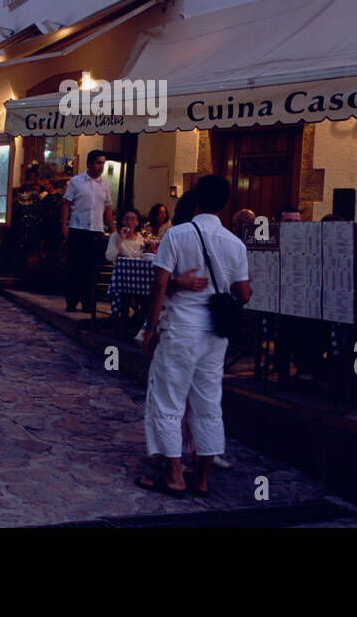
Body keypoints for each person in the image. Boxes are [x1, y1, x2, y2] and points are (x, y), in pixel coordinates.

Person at [138, 174, 251, 498]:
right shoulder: (235, 243)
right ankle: (201, 479)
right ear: (226, 204)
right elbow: (243, 294)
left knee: (169, 400)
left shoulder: (178, 235)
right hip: (215, 335)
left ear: (197, 200)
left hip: (181, 329)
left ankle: (174, 475)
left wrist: (150, 327)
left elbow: (160, 284)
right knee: (208, 403)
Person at [59, 150, 114, 314]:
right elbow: (66, 204)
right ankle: (71, 302)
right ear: (89, 164)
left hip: (96, 231)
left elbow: (108, 208)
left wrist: (113, 229)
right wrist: (64, 225)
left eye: (103, 163)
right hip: (77, 229)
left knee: (91, 269)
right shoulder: (76, 182)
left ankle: (88, 304)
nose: (101, 166)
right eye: (98, 162)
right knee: (75, 268)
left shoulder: (105, 185)